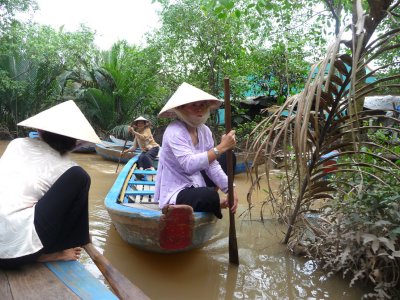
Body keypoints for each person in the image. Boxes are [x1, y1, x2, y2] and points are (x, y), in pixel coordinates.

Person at [0, 100, 101, 269]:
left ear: (40, 130)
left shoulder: (17, 143)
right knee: (81, 177)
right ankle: (59, 250)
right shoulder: (69, 169)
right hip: (13, 254)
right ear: (75, 141)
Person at [154, 82, 238, 219]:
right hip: (177, 188)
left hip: (197, 181)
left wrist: (230, 188)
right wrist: (222, 147)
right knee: (210, 196)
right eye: (194, 105)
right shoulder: (174, 131)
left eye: (202, 105)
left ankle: (210, 200)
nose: (199, 109)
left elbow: (212, 165)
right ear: (181, 108)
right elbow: (189, 165)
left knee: (229, 157)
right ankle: (213, 201)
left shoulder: (204, 131)